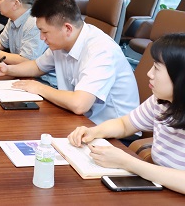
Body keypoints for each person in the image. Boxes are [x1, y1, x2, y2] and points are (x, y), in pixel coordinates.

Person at [0, 0, 138, 124]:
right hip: (80, 121)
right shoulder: (62, 42)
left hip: (113, 133)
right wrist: (7, 70)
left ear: (67, 28)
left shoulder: (100, 50)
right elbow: (37, 66)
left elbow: (79, 104)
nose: (41, 37)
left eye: (45, 32)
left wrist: (39, 88)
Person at [67, 33, 185, 195]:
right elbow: (124, 124)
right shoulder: (161, 101)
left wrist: (127, 162)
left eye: (157, 68)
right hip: (161, 187)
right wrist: (94, 131)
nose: (149, 73)